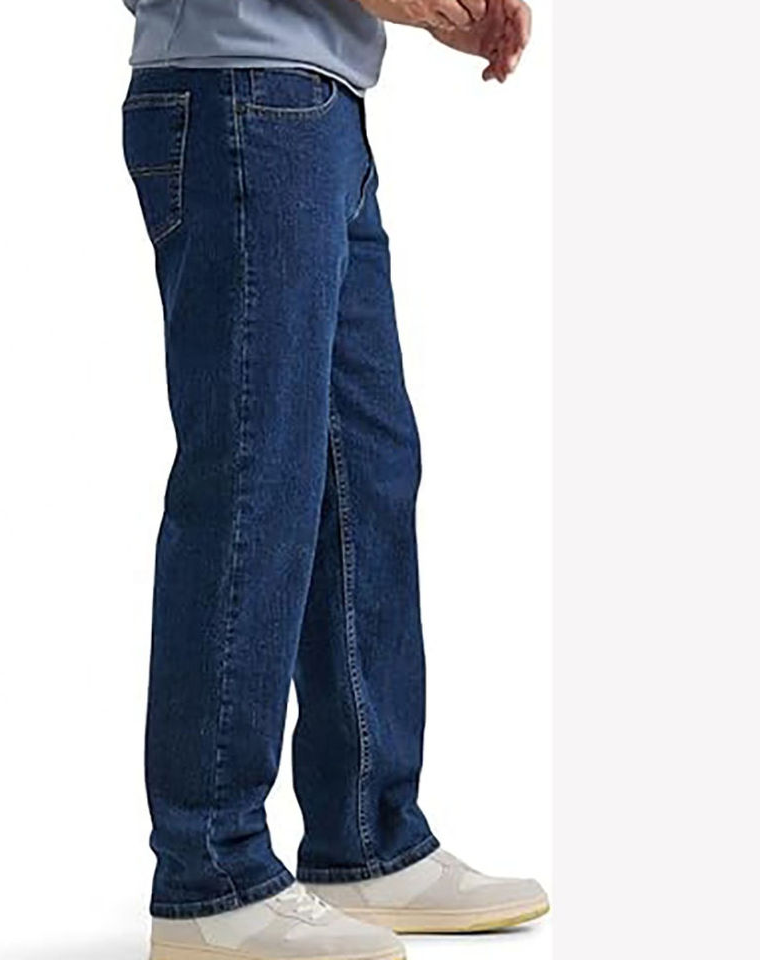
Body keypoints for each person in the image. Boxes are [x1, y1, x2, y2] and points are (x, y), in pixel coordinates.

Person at [119, 2, 545, 958]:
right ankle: (210, 879)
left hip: (318, 107)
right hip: (237, 91)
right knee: (252, 479)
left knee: (368, 470)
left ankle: (368, 839)